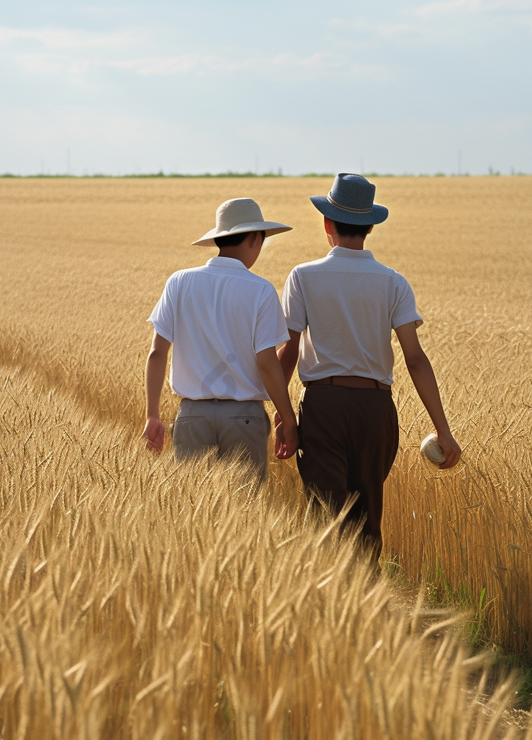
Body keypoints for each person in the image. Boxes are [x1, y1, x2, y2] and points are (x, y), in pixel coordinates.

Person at [277, 172, 461, 554]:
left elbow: (289, 351)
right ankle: (368, 599)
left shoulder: (303, 277)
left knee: (327, 524)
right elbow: (415, 359)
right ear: (371, 227)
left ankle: (333, 605)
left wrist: (282, 413)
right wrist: (443, 429)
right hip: (376, 410)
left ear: (327, 223)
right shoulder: (393, 282)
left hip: (324, 407)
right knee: (366, 524)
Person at [142, 197, 299, 478]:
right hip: (245, 418)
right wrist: (287, 417)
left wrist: (152, 414)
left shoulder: (178, 282)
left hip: (192, 416)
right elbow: (266, 361)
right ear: (254, 239)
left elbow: (157, 352)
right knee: (246, 514)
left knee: (191, 513)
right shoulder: (261, 291)